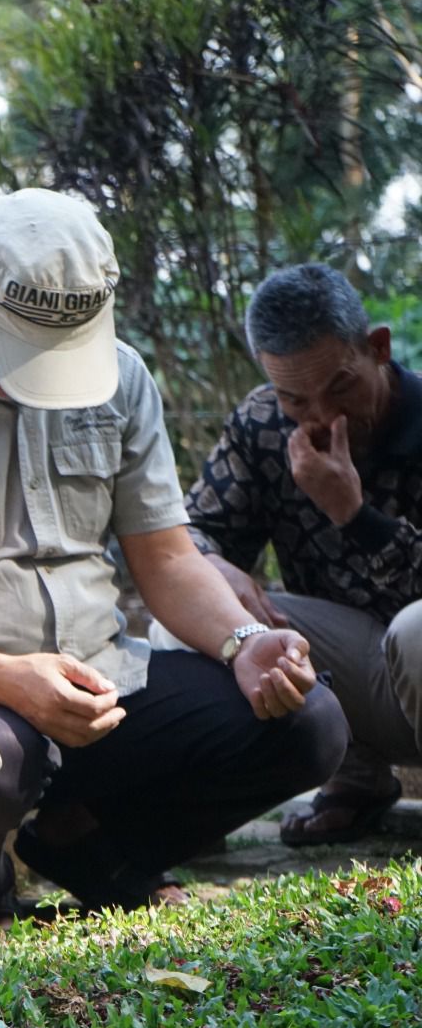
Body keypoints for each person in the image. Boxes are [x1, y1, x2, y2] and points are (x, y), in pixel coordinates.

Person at [0, 188, 346, 933]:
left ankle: (92, 849)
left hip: (101, 677)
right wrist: (8, 680)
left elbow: (165, 558)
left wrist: (244, 642)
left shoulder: (123, 378)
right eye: (18, 353)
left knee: (307, 724)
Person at [182, 263, 422, 847]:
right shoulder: (262, 425)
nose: (320, 417)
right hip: (355, 676)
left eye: (341, 386)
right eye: (294, 397)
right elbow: (179, 538)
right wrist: (215, 567)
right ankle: (352, 778)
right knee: (206, 611)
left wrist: (355, 516)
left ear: (378, 349)